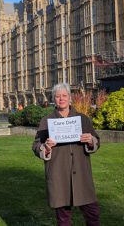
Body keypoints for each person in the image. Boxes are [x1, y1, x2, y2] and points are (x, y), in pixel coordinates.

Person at [32, 83, 100, 226]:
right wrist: (46, 148)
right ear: (53, 99)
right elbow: (36, 145)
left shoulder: (82, 119)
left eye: (64, 96)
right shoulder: (46, 121)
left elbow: (96, 141)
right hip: (58, 175)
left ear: (70, 98)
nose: (61, 99)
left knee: (92, 214)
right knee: (63, 219)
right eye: (57, 96)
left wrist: (91, 141)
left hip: (81, 174)